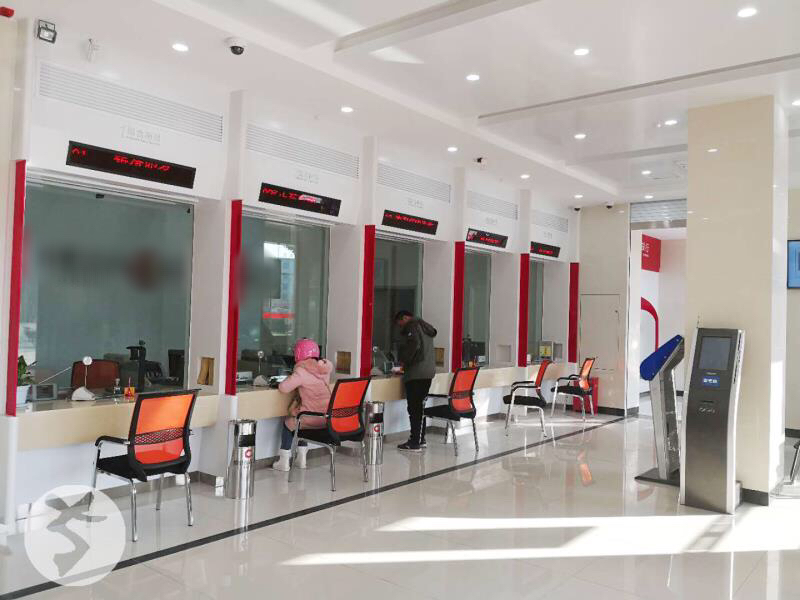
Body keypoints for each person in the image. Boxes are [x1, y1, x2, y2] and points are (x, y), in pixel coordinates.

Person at [272, 338, 333, 472]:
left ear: (298, 354)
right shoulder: (324, 370)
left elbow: (283, 388)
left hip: (310, 418)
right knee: (301, 418)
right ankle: (302, 459)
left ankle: (284, 461)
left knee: (289, 423)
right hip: (326, 418)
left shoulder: (301, 371)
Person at [394, 310, 437, 451]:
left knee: (414, 408)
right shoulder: (425, 326)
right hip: (428, 372)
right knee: (420, 407)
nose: (401, 327)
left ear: (405, 318)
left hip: (416, 373)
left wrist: (403, 362)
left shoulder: (412, 326)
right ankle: (420, 439)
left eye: (400, 323)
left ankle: (414, 442)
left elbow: (414, 345)